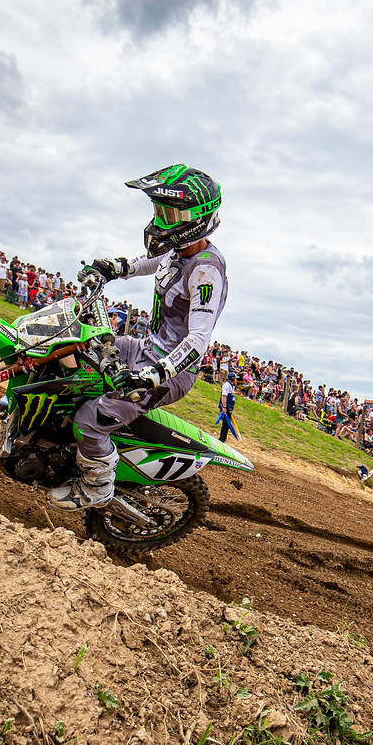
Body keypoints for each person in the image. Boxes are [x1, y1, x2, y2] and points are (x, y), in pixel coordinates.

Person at [48, 165, 226, 510]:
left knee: (90, 421)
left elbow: (198, 339)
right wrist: (116, 268)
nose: (160, 220)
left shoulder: (206, 269)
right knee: (74, 344)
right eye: (159, 210)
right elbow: (151, 262)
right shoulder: (178, 250)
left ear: (197, 218)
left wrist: (154, 375)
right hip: (144, 348)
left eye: (169, 214)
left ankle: (98, 486)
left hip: (169, 372)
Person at [218, 371, 238, 443]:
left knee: (227, 425)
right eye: (235, 378)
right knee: (226, 424)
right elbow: (224, 396)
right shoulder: (227, 385)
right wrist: (224, 407)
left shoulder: (232, 386)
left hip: (229, 408)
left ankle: (223, 439)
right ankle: (222, 439)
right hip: (225, 407)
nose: (236, 380)